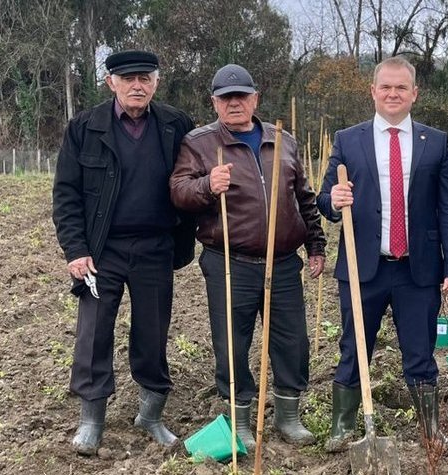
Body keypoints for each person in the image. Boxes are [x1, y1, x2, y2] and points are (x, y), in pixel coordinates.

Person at [170, 64, 325, 449]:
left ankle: (288, 416)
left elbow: (303, 196)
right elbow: (178, 190)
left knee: (292, 342)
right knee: (232, 343)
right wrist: (207, 184)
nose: (234, 103)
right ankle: (240, 417)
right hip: (229, 262)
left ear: (255, 99)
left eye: (241, 96)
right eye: (226, 98)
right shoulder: (199, 143)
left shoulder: (282, 140)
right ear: (215, 103)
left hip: (284, 260)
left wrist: (316, 244)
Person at [317, 56, 448, 453]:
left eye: (402, 87)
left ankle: (430, 432)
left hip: (417, 271)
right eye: (386, 87)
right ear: (373, 92)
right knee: (353, 347)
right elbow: (326, 198)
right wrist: (334, 199)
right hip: (363, 268)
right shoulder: (350, 140)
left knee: (420, 353)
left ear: (415, 93)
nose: (393, 94)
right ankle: (343, 426)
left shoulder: (435, 142)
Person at [52, 50, 196, 455]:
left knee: (153, 331)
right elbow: (66, 193)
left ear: (156, 82)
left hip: (156, 248)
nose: (137, 85)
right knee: (94, 332)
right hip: (102, 251)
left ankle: (150, 415)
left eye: (145, 78)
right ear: (110, 81)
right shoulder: (85, 127)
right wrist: (76, 249)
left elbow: (193, 178)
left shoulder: (176, 125)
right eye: (128, 78)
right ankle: (91, 419)